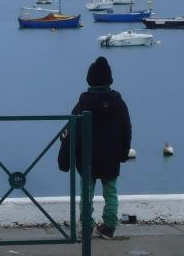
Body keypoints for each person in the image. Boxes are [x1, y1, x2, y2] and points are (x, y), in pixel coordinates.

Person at [71, 56, 132, 240]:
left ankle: (87, 227)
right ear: (109, 80)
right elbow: (126, 129)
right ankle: (109, 226)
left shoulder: (83, 102)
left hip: (87, 156)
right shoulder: (119, 103)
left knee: (86, 194)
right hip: (111, 156)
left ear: (89, 79)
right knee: (111, 192)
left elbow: (72, 127)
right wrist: (123, 153)